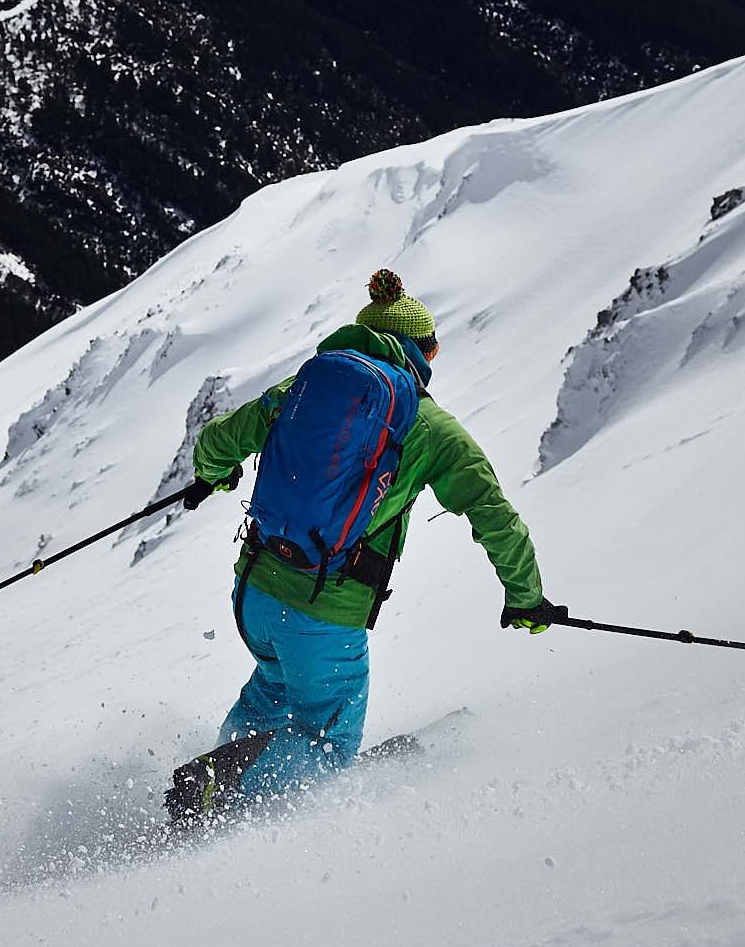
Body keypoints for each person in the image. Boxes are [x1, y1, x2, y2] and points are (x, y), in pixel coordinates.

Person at [167, 268, 562, 818]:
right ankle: (229, 804)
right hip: (323, 609)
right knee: (325, 744)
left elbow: (215, 443)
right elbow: (494, 516)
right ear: (426, 351)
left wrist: (216, 474)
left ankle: (211, 778)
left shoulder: (302, 390)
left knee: (273, 691)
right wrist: (525, 597)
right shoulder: (430, 427)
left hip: (253, 592)